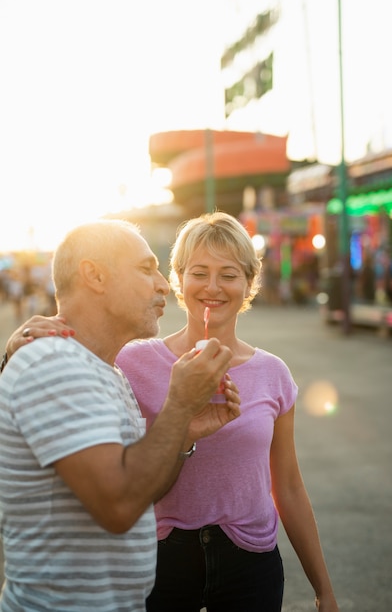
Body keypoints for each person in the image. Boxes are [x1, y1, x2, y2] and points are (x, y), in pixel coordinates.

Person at [5, 212, 339, 612]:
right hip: (163, 558)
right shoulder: (126, 361)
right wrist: (16, 350)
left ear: (249, 283)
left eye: (229, 274)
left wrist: (324, 589)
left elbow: (288, 486)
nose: (213, 286)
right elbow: (55, 393)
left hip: (249, 558)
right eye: (199, 272)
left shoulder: (273, 373)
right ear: (180, 280)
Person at [0, 219, 241, 612]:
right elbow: (118, 507)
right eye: (147, 269)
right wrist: (178, 403)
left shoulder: (108, 373)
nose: (164, 285)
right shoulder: (54, 364)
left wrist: (182, 432)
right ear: (94, 275)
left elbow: (142, 489)